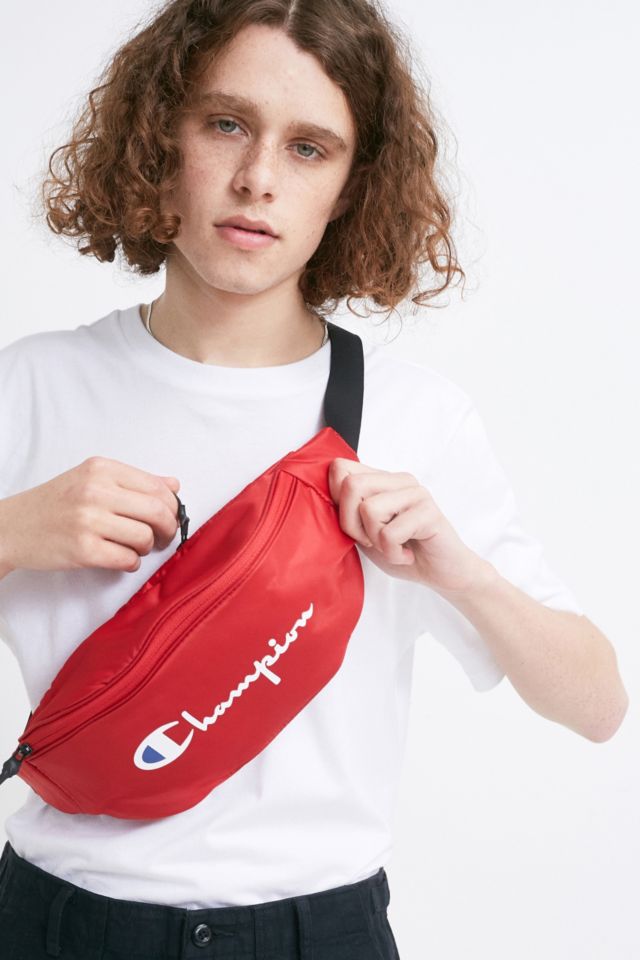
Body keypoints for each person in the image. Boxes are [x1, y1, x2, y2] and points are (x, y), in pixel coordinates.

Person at [0, 1, 627, 958]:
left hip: (317, 930)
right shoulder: (30, 387)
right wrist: (10, 532)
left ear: (348, 188)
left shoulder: (418, 417)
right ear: (158, 137)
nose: (258, 178)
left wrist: (462, 574)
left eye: (308, 148)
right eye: (226, 124)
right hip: (59, 922)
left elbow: (598, 705)